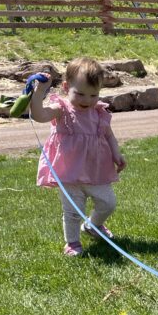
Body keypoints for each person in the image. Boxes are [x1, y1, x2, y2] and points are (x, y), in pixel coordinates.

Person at [30, 57, 126, 257]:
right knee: (73, 211)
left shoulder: (99, 112)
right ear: (66, 87)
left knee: (108, 203)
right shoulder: (62, 110)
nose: (87, 100)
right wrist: (39, 92)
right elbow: (39, 115)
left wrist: (116, 153)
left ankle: (93, 225)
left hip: (96, 170)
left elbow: (108, 134)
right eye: (80, 94)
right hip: (69, 173)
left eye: (93, 95)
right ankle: (72, 243)